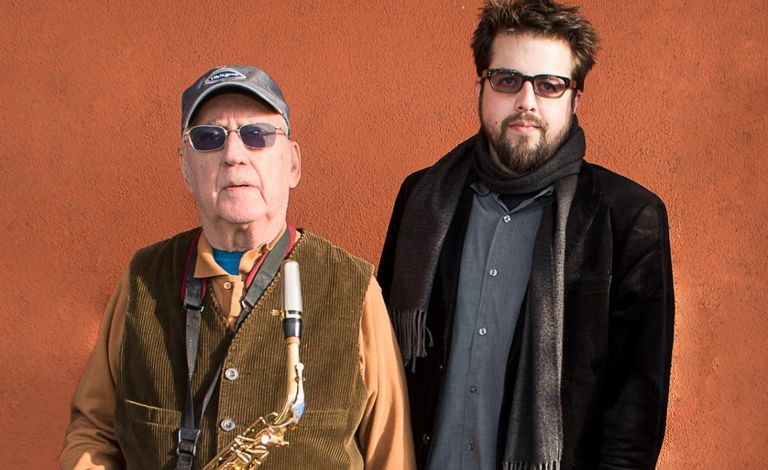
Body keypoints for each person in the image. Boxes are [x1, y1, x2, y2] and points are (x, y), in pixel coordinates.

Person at [61, 65, 416, 470]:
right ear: (186, 168)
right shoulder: (143, 278)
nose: (233, 155)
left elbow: (392, 457)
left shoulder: (353, 287)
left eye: (257, 135)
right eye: (209, 138)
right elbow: (93, 432)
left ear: (293, 163)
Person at [377, 1, 675, 469]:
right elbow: (379, 359)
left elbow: (636, 408)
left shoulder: (628, 217)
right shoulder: (422, 199)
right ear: (481, 87)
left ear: (575, 99)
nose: (527, 102)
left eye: (549, 85)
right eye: (508, 80)